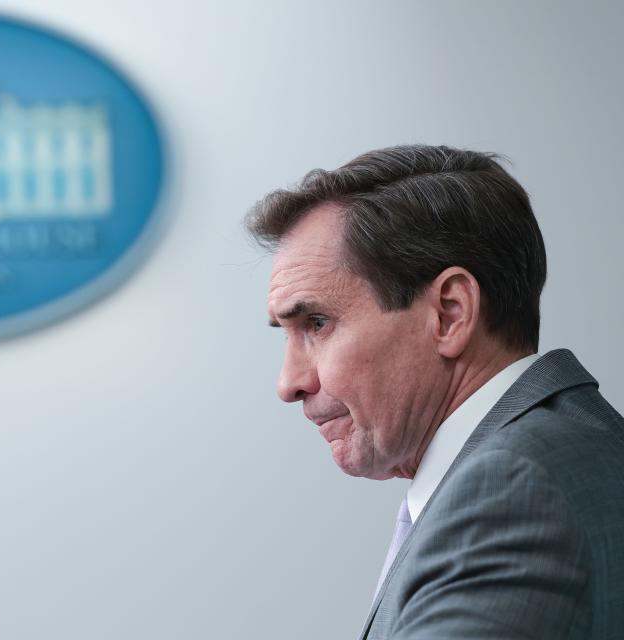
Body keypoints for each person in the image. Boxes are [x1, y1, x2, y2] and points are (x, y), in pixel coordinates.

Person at [245, 145, 624, 639]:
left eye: (317, 323)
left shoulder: (513, 489)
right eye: (286, 331)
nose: (288, 383)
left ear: (450, 313)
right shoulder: (554, 455)